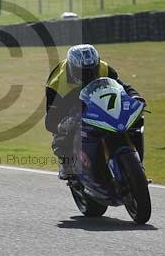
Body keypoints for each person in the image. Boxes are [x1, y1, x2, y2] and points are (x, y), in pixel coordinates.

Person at [45, 44, 145, 180]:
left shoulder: (104, 68)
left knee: (136, 119)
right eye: (83, 72)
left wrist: (135, 97)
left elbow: (123, 87)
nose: (89, 75)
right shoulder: (56, 83)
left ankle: (136, 161)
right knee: (61, 135)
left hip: (99, 100)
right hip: (70, 107)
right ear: (72, 68)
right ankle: (66, 163)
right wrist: (64, 121)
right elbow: (50, 119)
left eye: (92, 70)